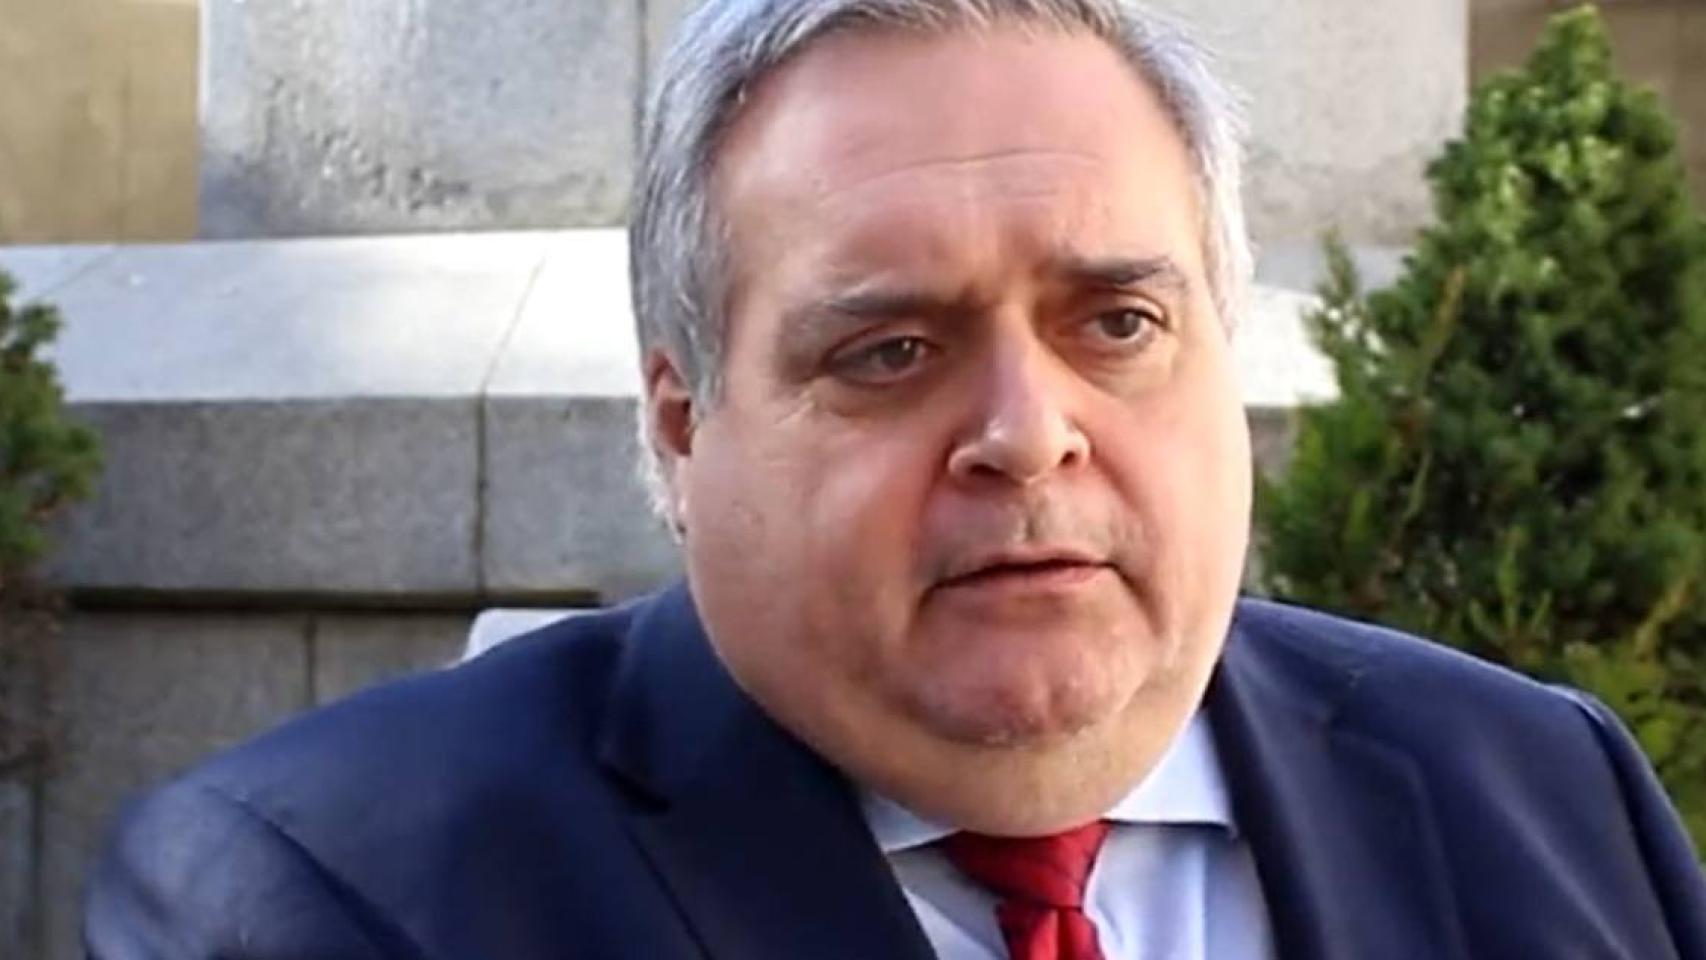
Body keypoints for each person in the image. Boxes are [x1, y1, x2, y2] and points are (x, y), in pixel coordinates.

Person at [85, 1, 1706, 957]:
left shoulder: (1538, 790)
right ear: (682, 425)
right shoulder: (329, 897)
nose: (1026, 431)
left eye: (1116, 322)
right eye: (889, 351)